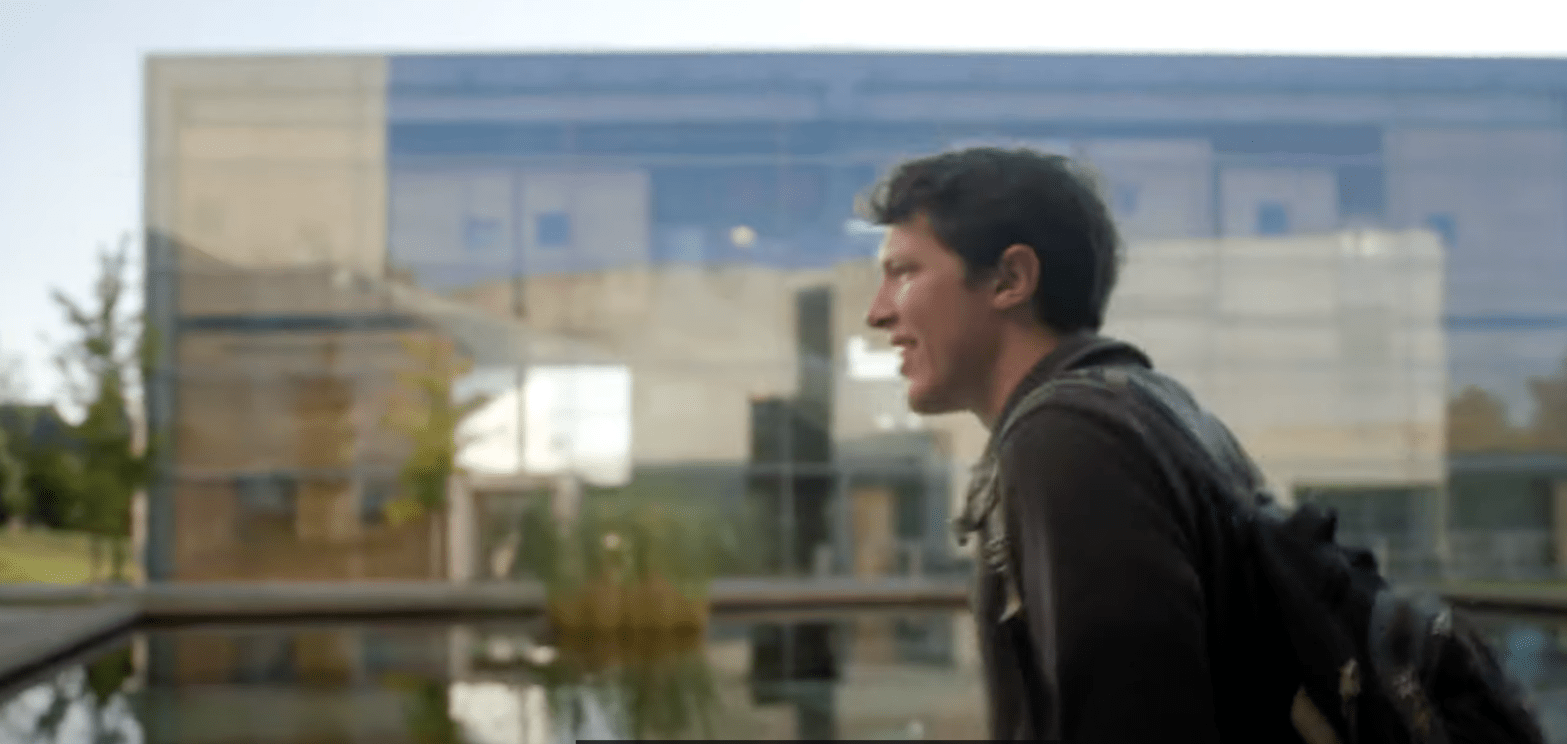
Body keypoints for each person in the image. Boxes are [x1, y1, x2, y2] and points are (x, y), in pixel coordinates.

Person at [861, 147, 1303, 742]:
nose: (878, 313)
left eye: (904, 272)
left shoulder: (1071, 442)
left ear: (1010, 280)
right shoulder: (1147, 410)